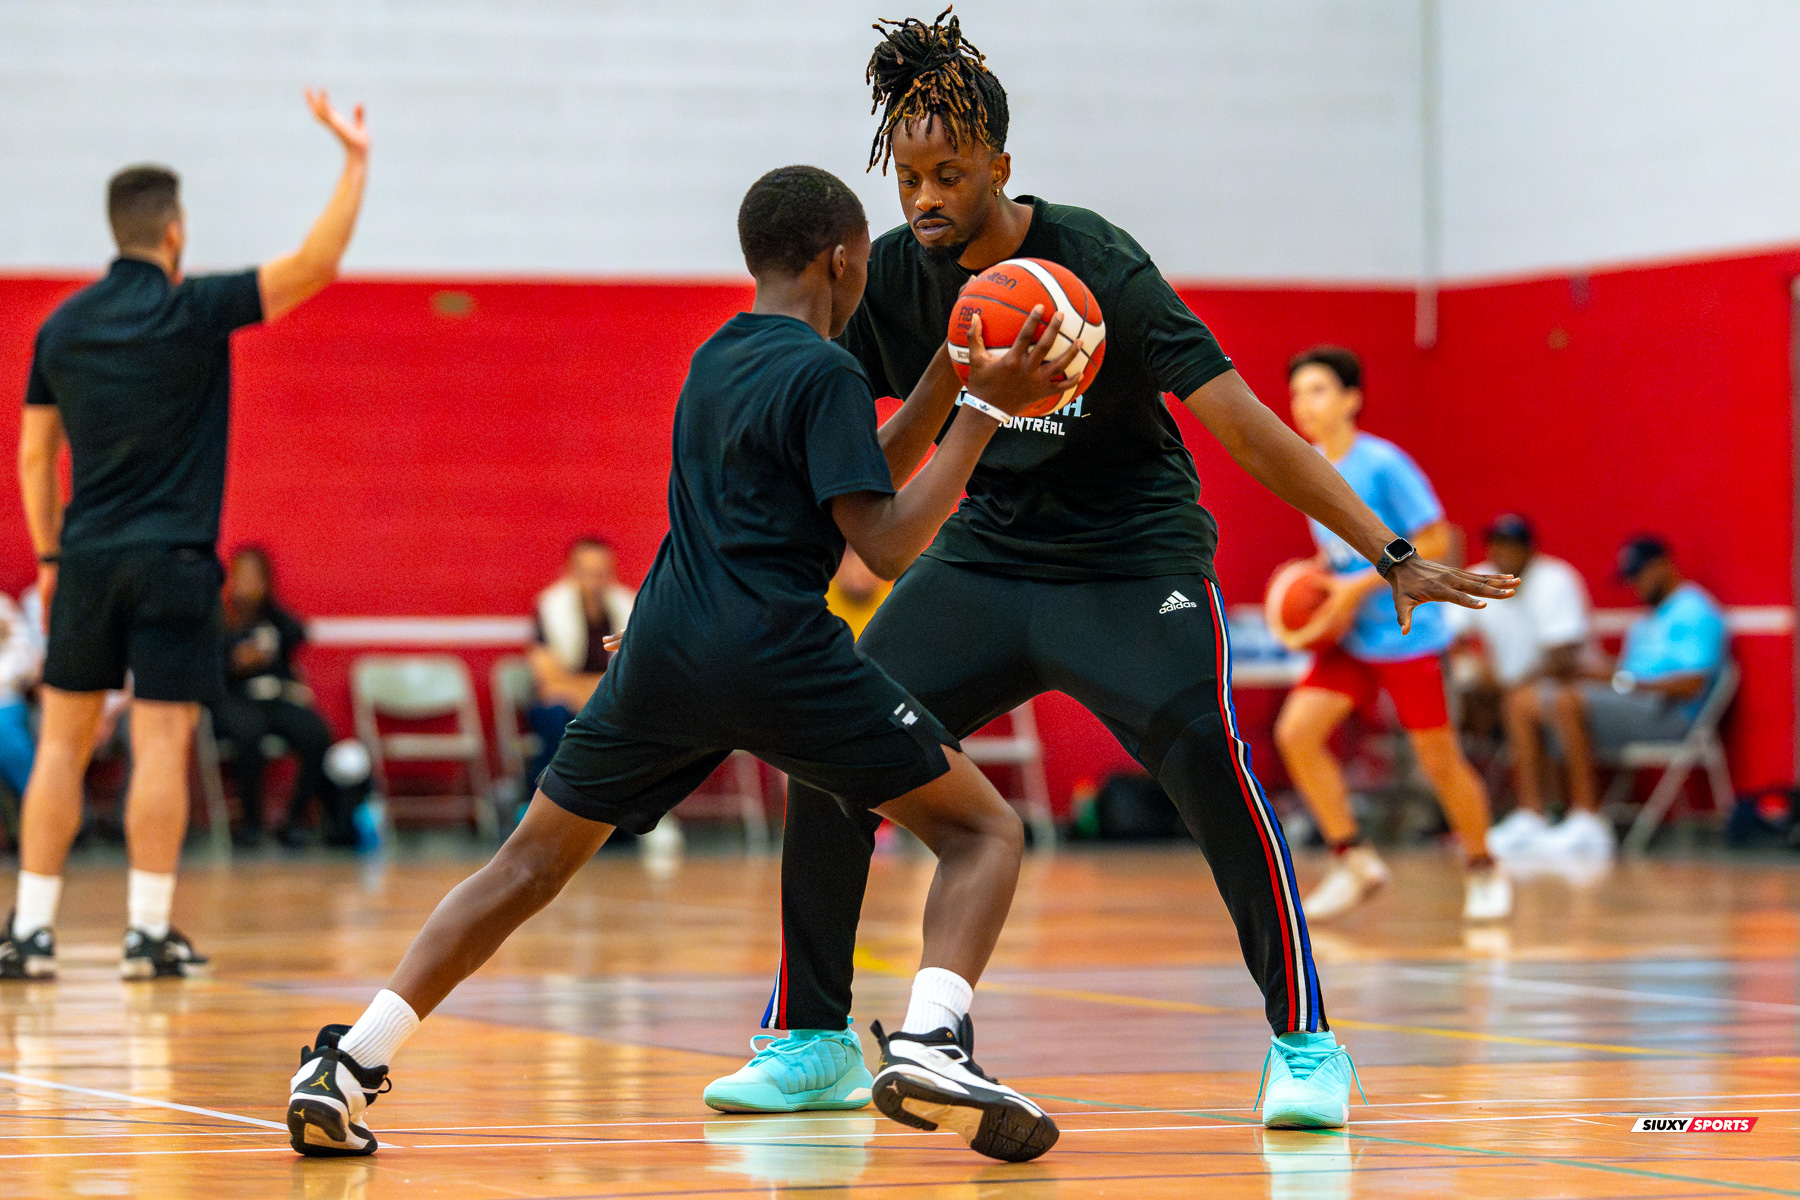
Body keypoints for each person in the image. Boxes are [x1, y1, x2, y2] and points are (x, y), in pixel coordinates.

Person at [700, 13, 1514, 1134]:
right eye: (910, 178)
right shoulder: (896, 281)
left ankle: (1307, 1047)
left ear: (1001, 167)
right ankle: (811, 1039)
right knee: (832, 746)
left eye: (951, 174)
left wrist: (1392, 553)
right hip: (989, 557)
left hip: (1134, 562)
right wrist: (711, 593)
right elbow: (811, 456)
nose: (927, 198)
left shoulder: (1099, 260)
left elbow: (1242, 422)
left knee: (1211, 764)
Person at [286, 164, 1079, 1162]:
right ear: (842, 258)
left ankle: (350, 1064)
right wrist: (983, 414)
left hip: (661, 648)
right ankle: (932, 1039)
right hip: (775, 654)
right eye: (866, 255)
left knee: (524, 864)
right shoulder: (826, 372)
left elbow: (839, 471)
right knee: (982, 831)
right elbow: (884, 544)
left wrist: (944, 379)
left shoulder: (719, 359)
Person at [0, 91, 370, 983]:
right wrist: (355, 160)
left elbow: (32, 457)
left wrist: (50, 557)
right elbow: (318, 262)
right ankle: (146, 934)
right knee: (161, 743)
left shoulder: (63, 324)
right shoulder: (196, 308)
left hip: (83, 561)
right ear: (174, 233)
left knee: (61, 741)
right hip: (173, 563)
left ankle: (30, 932)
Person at [1273, 346, 1509, 924]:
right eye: (1297, 392)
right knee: (1297, 734)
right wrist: (1317, 584)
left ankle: (1483, 867)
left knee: (1439, 760)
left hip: (1407, 633)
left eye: (1319, 390)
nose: (1304, 403)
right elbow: (1341, 553)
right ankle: (1353, 860)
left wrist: (1355, 589)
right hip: (1352, 639)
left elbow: (1435, 544)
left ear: (1353, 399)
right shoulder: (1308, 463)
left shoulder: (1383, 464)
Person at [1530, 536, 1726, 858]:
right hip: (1633, 705)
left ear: (1663, 565)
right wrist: (1598, 673)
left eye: (1640, 574)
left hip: (1671, 716)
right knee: (1530, 701)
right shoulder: (1647, 619)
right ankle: (1538, 816)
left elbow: (1690, 685)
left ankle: (1587, 818)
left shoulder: (1695, 611)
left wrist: (1620, 680)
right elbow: (1626, 675)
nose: (1636, 585)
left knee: (1566, 701)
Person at [1451, 515, 1595, 858]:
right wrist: (1474, 666)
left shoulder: (1556, 580)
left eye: (1511, 545)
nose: (1502, 552)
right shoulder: (1478, 577)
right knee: (1463, 702)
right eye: (1496, 544)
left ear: (1529, 549)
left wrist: (1511, 682)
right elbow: (1451, 635)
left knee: (1524, 702)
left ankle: (1580, 816)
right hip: (1510, 689)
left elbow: (1563, 656)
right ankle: (1517, 815)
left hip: (1568, 683)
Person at [212, 547, 347, 849]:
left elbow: (299, 632)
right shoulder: (219, 618)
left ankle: (294, 820)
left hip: (277, 696)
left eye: (254, 576)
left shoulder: (273, 619)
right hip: (237, 698)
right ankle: (250, 825)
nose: (247, 583)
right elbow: (207, 667)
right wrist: (235, 662)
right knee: (248, 735)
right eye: (241, 575)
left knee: (315, 733)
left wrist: (262, 607)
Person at [526, 536, 635, 783]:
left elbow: (637, 678)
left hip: (611, 703)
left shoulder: (628, 608)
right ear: (570, 572)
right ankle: (542, 803)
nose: (594, 581)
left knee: (645, 717)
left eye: (601, 572)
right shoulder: (551, 608)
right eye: (587, 572)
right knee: (555, 716)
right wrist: (600, 693)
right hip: (571, 704)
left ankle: (631, 810)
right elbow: (548, 680)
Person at [0, 592, 44, 801]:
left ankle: (42, 808)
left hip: (4, 699)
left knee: (5, 733)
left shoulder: (3, 607)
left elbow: (22, 656)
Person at [826, 546, 891, 639]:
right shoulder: (820, 595)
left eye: (868, 567)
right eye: (855, 567)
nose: (861, 574)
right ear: (842, 564)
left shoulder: (890, 601)